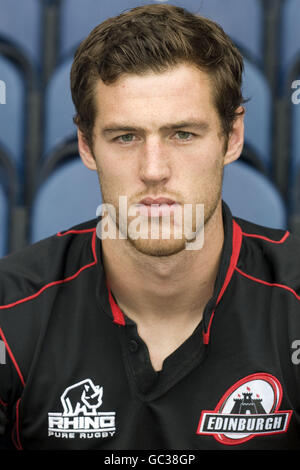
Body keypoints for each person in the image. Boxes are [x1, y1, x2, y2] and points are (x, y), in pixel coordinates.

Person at [0, 3, 299, 451]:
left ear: (232, 136)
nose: (154, 170)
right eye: (126, 137)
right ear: (86, 145)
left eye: (183, 134)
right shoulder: (10, 310)